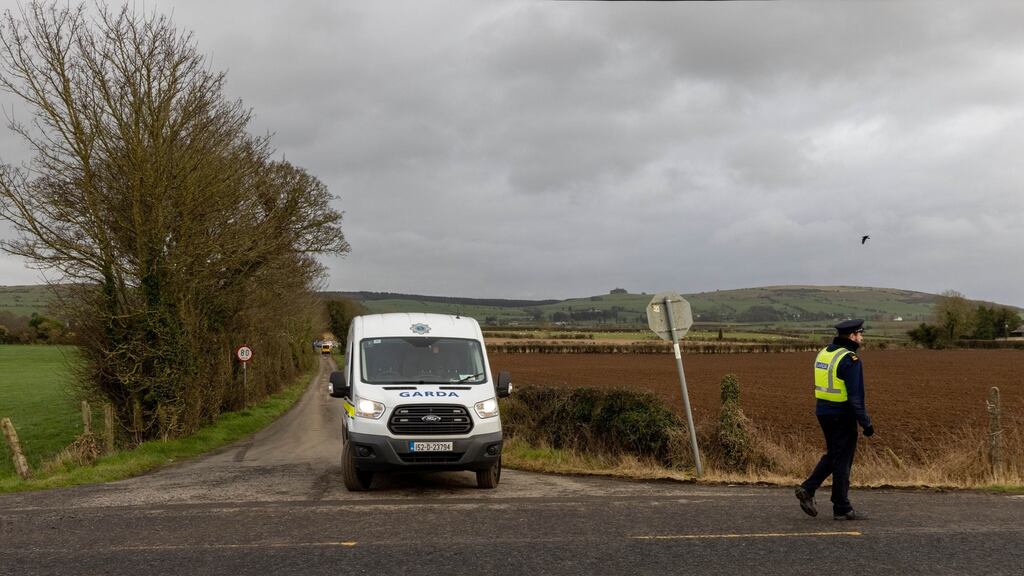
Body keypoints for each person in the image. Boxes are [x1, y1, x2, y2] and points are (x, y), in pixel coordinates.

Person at [795, 318, 874, 520]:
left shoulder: (825, 353)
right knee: (843, 460)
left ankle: (810, 490)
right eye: (860, 334)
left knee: (835, 455)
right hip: (843, 414)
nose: (862, 337)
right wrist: (865, 423)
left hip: (823, 411)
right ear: (852, 336)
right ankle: (841, 506)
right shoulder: (850, 359)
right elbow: (855, 396)